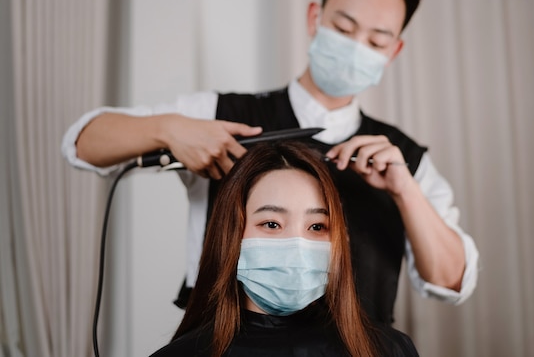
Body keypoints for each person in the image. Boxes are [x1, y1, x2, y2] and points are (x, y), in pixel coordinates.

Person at [62, 0, 479, 325]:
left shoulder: (406, 160)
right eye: (345, 28)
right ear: (315, 18)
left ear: (394, 51)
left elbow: (452, 281)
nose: (356, 46)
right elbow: (82, 142)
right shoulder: (219, 116)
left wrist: (405, 192)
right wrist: (171, 129)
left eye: (375, 39)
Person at [149, 141, 419, 356]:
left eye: (316, 227)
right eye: (271, 223)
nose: (297, 246)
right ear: (232, 235)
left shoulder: (389, 349)